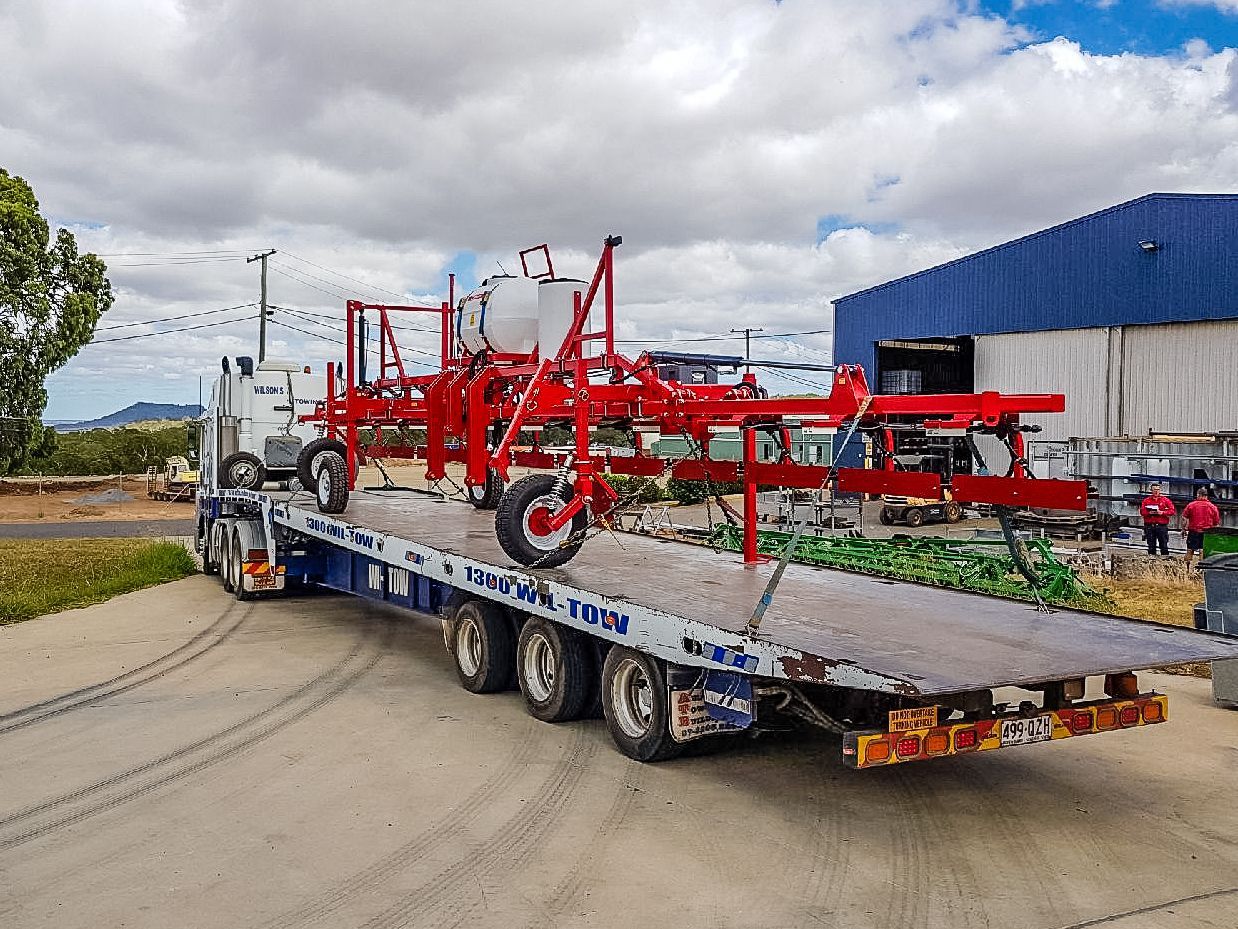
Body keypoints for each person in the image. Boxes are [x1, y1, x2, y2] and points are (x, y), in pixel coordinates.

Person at [1180, 486, 1221, 569]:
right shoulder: (1213, 507)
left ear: (1198, 495)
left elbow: (1184, 518)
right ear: (1206, 496)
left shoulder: (1191, 505)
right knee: (1202, 551)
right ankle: (1201, 570)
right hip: (1207, 533)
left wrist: (1183, 529)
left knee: (1190, 550)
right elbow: (1216, 522)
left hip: (1193, 531)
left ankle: (1186, 570)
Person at [1139, 483, 1175, 556]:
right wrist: (1149, 513)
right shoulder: (1146, 501)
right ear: (1151, 490)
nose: (1156, 491)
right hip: (1149, 526)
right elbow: (1142, 512)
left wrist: (1162, 512)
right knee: (1151, 546)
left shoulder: (1165, 500)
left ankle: (1165, 561)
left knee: (1164, 545)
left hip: (1161, 526)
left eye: (1158, 489)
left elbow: (1172, 511)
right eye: (1154, 490)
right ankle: (1152, 562)